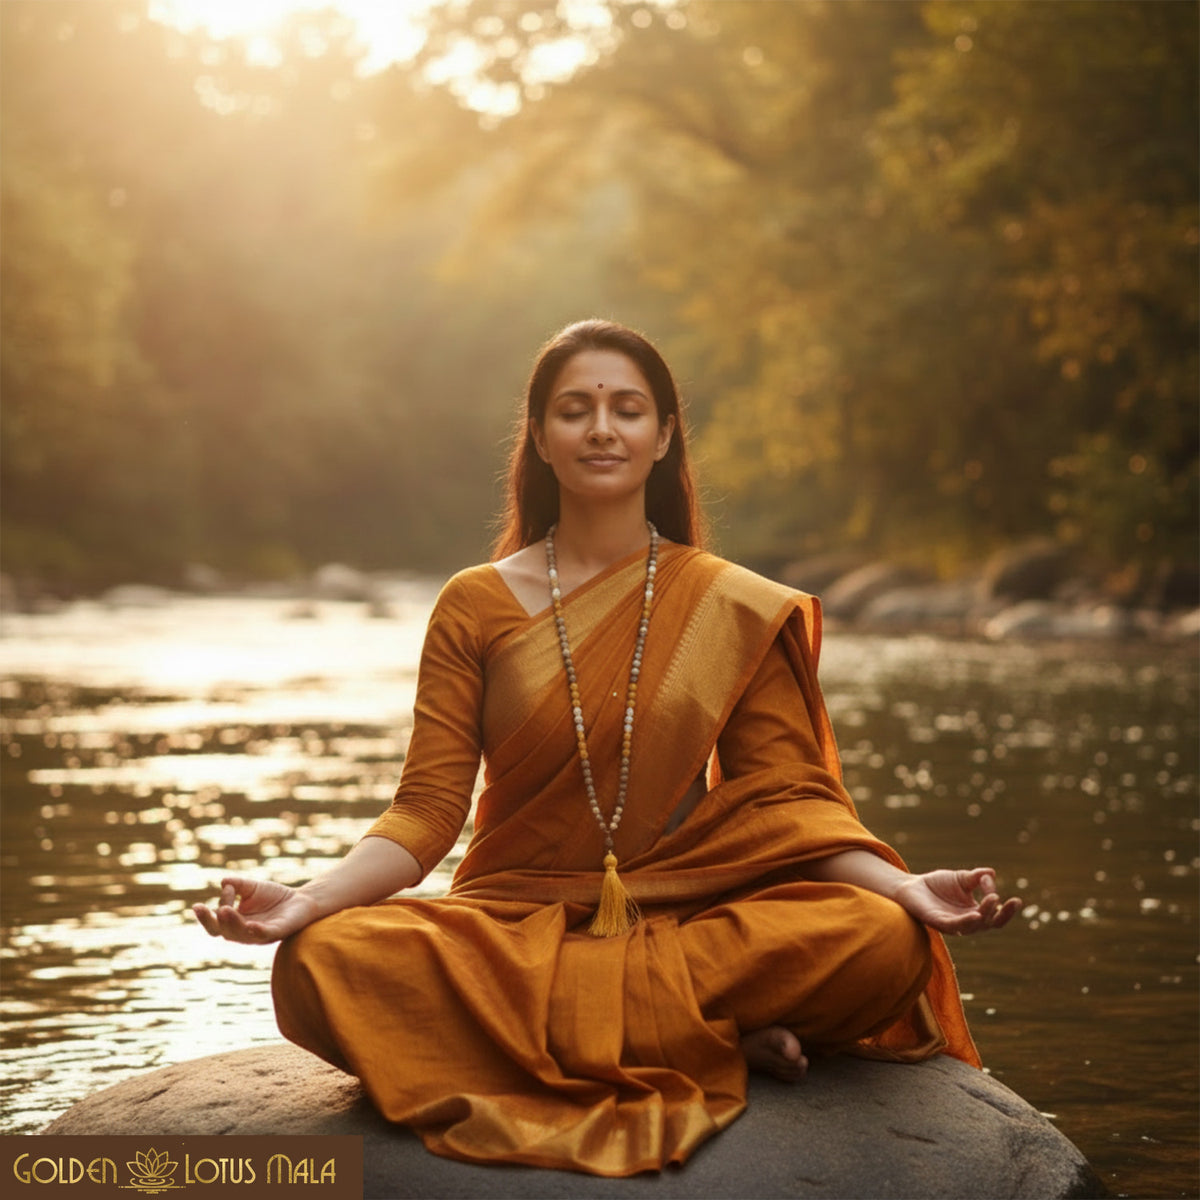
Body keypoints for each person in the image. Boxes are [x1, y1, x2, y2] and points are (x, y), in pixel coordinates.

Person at [194, 319, 1020, 1177]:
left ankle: (625, 1034)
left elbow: (788, 803)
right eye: (574, 409)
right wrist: (309, 899)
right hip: (511, 927)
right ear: (541, 439)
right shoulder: (474, 604)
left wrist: (904, 885)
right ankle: (710, 1039)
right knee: (320, 962)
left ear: (663, 438)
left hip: (685, 922)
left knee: (879, 938)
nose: (601, 428)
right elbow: (428, 809)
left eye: (627, 409)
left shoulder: (727, 604)